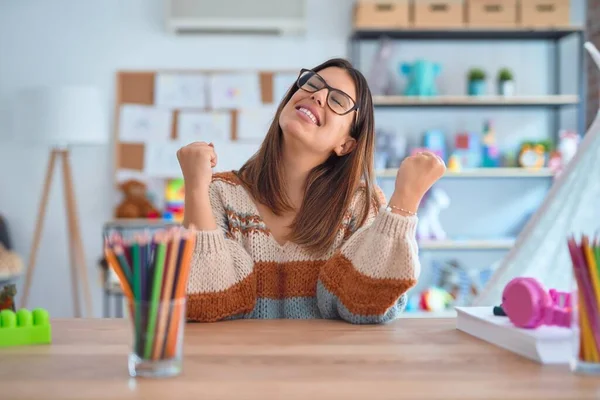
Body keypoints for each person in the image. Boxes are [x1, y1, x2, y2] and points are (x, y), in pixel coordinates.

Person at [177, 58, 446, 324]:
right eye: (313, 84)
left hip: (327, 367)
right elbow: (204, 304)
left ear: (347, 144)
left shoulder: (361, 203)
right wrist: (196, 187)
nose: (317, 95)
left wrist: (406, 201)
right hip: (239, 366)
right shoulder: (220, 193)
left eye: (338, 100)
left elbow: (366, 306)